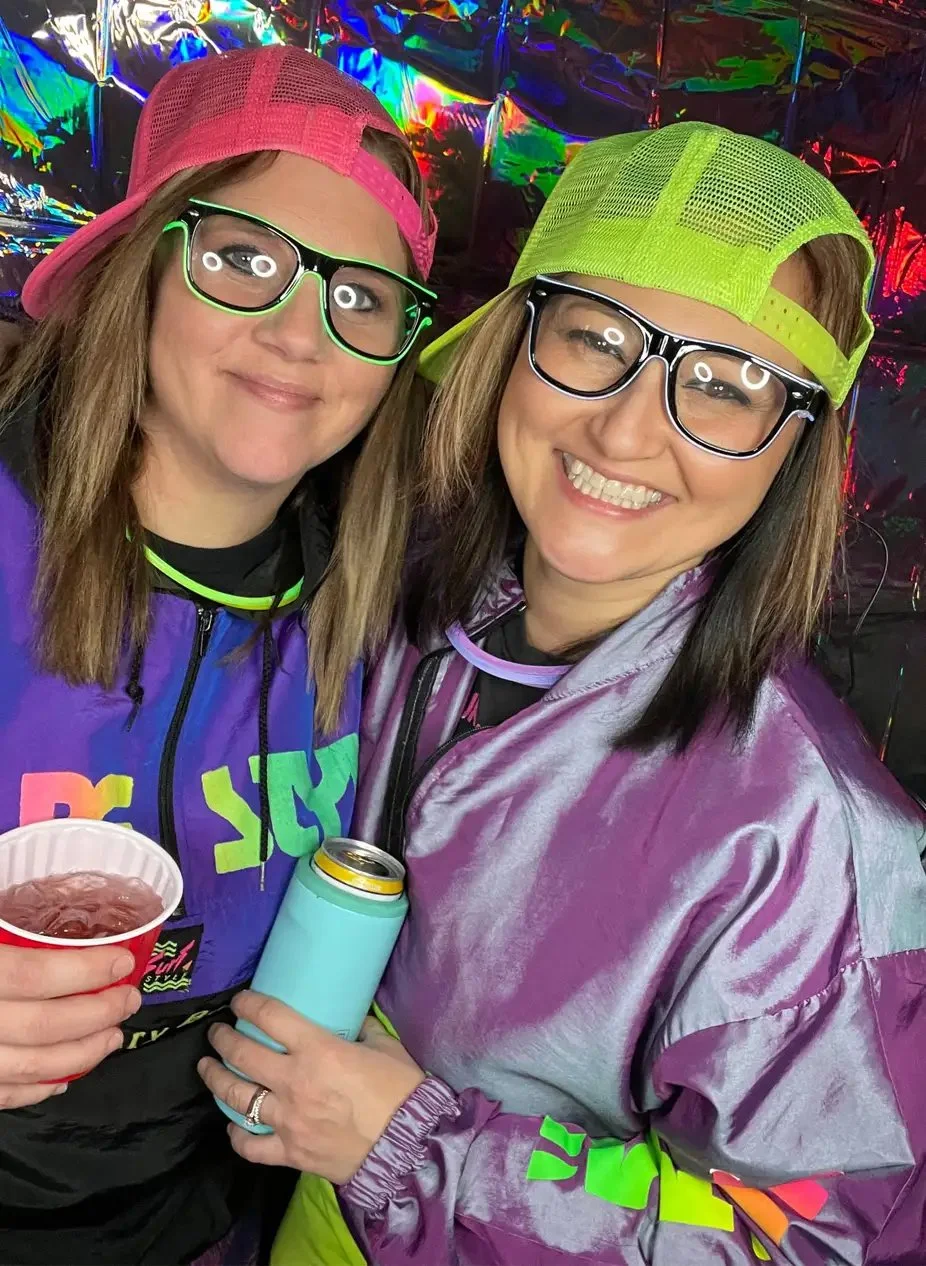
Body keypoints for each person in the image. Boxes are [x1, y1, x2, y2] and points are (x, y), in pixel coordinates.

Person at [200, 123, 926, 1264]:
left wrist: (414, 1147)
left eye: (726, 387)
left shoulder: (813, 843)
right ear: (512, 341)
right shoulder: (382, 602)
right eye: (594, 340)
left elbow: (812, 1246)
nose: (628, 431)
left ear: (790, 448)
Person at [0, 43, 436, 1266]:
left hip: (221, 1219)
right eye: (244, 259)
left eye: (359, 295)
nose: (302, 333)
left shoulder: (391, 606)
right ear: (138, 272)